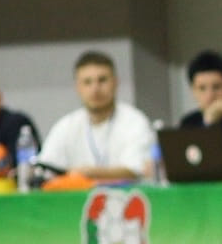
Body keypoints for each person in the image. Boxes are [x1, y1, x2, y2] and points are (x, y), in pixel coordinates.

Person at [39, 49, 156, 182]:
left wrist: (86, 173)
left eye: (102, 80)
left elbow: (134, 170)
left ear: (116, 82)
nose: (95, 89)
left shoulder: (135, 122)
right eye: (87, 82)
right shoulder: (66, 125)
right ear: (78, 87)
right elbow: (46, 168)